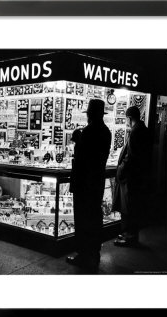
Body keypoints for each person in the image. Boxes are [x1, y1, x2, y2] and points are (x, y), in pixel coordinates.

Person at [67, 99, 111, 272]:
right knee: (95, 217)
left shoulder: (87, 132)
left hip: (83, 184)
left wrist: (78, 140)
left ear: (90, 114)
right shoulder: (106, 132)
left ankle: (83, 255)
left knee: (82, 219)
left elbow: (81, 159)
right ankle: (94, 252)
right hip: (97, 183)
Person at [113, 106, 152, 246]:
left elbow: (132, 157)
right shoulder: (144, 130)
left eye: (126, 119)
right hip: (138, 176)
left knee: (128, 208)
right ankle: (130, 235)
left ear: (129, 118)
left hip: (131, 177)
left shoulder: (136, 132)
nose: (126, 122)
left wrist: (121, 170)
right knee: (133, 207)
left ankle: (129, 237)